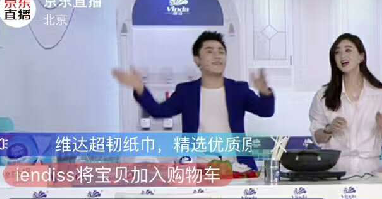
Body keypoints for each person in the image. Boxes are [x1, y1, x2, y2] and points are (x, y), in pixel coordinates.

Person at [112, 31, 275, 170]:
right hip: (196, 169)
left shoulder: (239, 89)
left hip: (238, 169)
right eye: (210, 51)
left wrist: (265, 93)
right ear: (197, 60)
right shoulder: (186, 92)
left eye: (221, 51)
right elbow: (158, 111)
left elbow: (266, 111)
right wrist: (139, 88)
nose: (217, 56)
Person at [309, 33, 382, 177]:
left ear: (361, 56)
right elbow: (317, 136)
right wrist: (329, 129)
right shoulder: (323, 96)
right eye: (337, 52)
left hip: (370, 172)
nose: (342, 56)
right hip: (336, 172)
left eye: (348, 50)